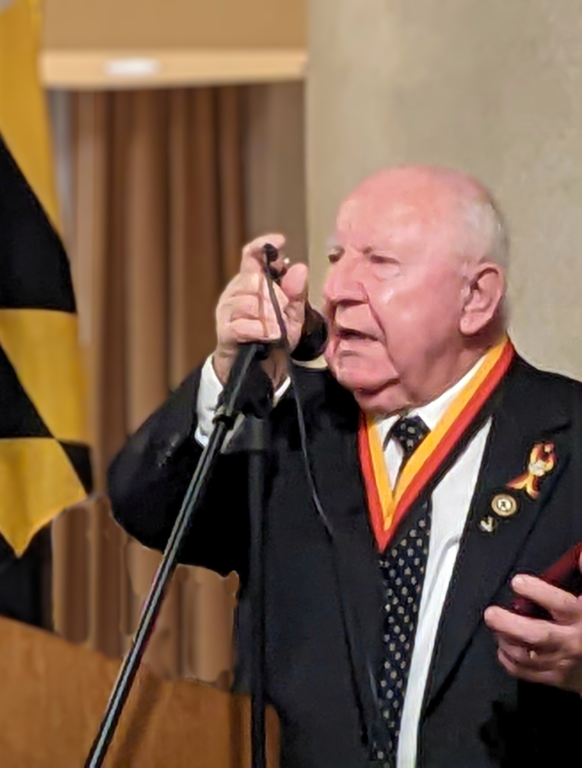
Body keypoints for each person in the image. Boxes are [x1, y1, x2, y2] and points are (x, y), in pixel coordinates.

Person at [108, 165, 582, 767]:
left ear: (476, 297)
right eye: (336, 257)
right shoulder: (289, 427)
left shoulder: (570, 434)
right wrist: (229, 375)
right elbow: (146, 505)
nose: (339, 288)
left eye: (381, 262)